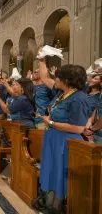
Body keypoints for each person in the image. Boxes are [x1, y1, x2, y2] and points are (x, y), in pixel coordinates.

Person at [38, 61, 89, 212]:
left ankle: (57, 206)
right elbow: (45, 77)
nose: (56, 79)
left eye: (58, 77)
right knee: (52, 171)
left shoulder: (78, 98)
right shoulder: (62, 94)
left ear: (67, 80)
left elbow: (79, 128)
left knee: (60, 173)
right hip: (54, 139)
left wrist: (51, 122)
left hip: (65, 142)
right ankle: (51, 202)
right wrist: (42, 60)